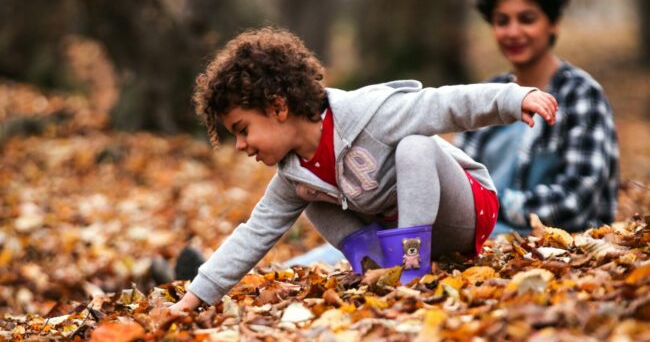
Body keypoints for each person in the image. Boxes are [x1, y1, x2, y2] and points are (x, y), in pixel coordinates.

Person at [169, 27, 557, 312]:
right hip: (403, 228)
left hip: (465, 211)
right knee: (311, 195)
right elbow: (254, 234)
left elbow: (444, 104)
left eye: (242, 130)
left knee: (415, 146)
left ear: (277, 107)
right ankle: (378, 264)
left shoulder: (371, 115)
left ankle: (410, 268)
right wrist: (194, 297)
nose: (240, 145)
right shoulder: (293, 174)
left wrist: (513, 97)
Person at [455, 0, 619, 236]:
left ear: (552, 24)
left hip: (560, 256)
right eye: (502, 21)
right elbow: (458, 182)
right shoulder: (487, 93)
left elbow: (575, 202)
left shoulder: (580, 94)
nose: (513, 32)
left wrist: (490, 207)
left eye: (527, 19)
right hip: (477, 252)